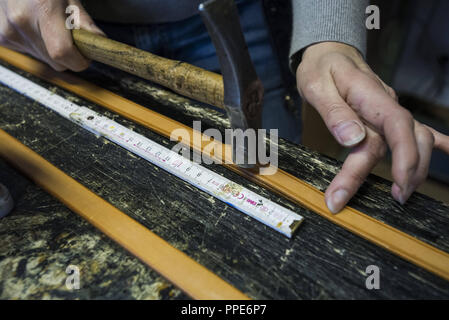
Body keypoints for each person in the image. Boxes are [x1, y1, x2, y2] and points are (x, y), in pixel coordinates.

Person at [0, 0, 448, 217]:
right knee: (102, 200)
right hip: (68, 24)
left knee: (269, 192)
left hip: (235, 16)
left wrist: (330, 40)